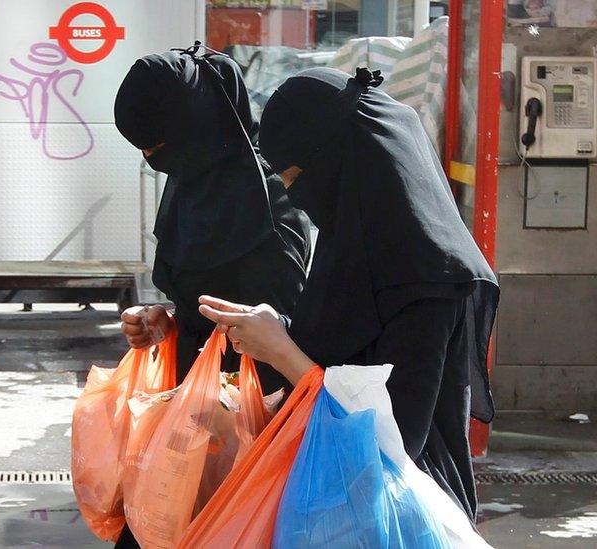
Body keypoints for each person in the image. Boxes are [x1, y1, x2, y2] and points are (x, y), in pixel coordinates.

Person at [198, 67, 500, 523]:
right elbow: (341, 357)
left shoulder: (426, 275)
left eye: (296, 176)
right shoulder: (355, 244)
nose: (293, 194)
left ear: (346, 162)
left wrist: (282, 353)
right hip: (337, 504)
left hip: (403, 515)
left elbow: (391, 438)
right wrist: (274, 333)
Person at [112, 48, 310, 395]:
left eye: (157, 145)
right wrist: (168, 321)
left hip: (256, 411)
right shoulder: (191, 183)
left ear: (195, 128)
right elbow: (201, 298)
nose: (150, 158)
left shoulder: (269, 202)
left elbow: (284, 329)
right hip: (196, 401)